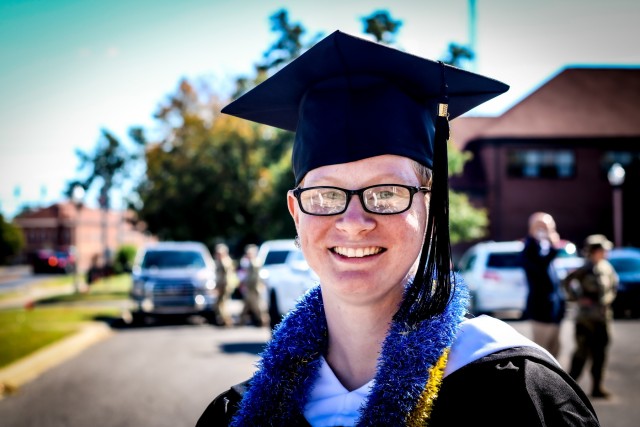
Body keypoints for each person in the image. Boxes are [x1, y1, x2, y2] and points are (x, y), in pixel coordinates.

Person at [197, 31, 599, 426]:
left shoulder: (518, 396)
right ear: (296, 213)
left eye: (387, 193)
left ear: (432, 208)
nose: (353, 223)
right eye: (325, 195)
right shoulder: (237, 415)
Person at [562, 234, 618, 398]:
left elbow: (613, 285)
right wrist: (577, 298)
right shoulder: (584, 268)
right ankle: (567, 391)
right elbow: (566, 282)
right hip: (586, 320)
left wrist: (607, 300)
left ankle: (597, 387)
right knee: (581, 354)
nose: (606, 252)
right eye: (602, 249)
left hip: (602, 317)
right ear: (594, 251)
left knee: (600, 353)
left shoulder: (606, 267)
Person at [521, 211, 566, 358]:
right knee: (541, 354)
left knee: (556, 350)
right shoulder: (530, 249)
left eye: (548, 227)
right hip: (541, 311)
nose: (544, 230)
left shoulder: (545, 247)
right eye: (540, 226)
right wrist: (554, 246)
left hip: (555, 311)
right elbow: (540, 266)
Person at [238, 244, 267, 326]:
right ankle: (241, 320)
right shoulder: (249, 262)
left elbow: (256, 276)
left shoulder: (256, 262)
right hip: (249, 287)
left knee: (257, 306)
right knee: (248, 304)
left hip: (255, 288)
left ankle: (263, 320)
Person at [213, 243, 238, 326]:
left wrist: (220, 287)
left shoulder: (225, 262)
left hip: (224, 286)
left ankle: (227, 321)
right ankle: (225, 320)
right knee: (221, 304)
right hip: (223, 285)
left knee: (222, 304)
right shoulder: (223, 261)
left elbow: (226, 277)